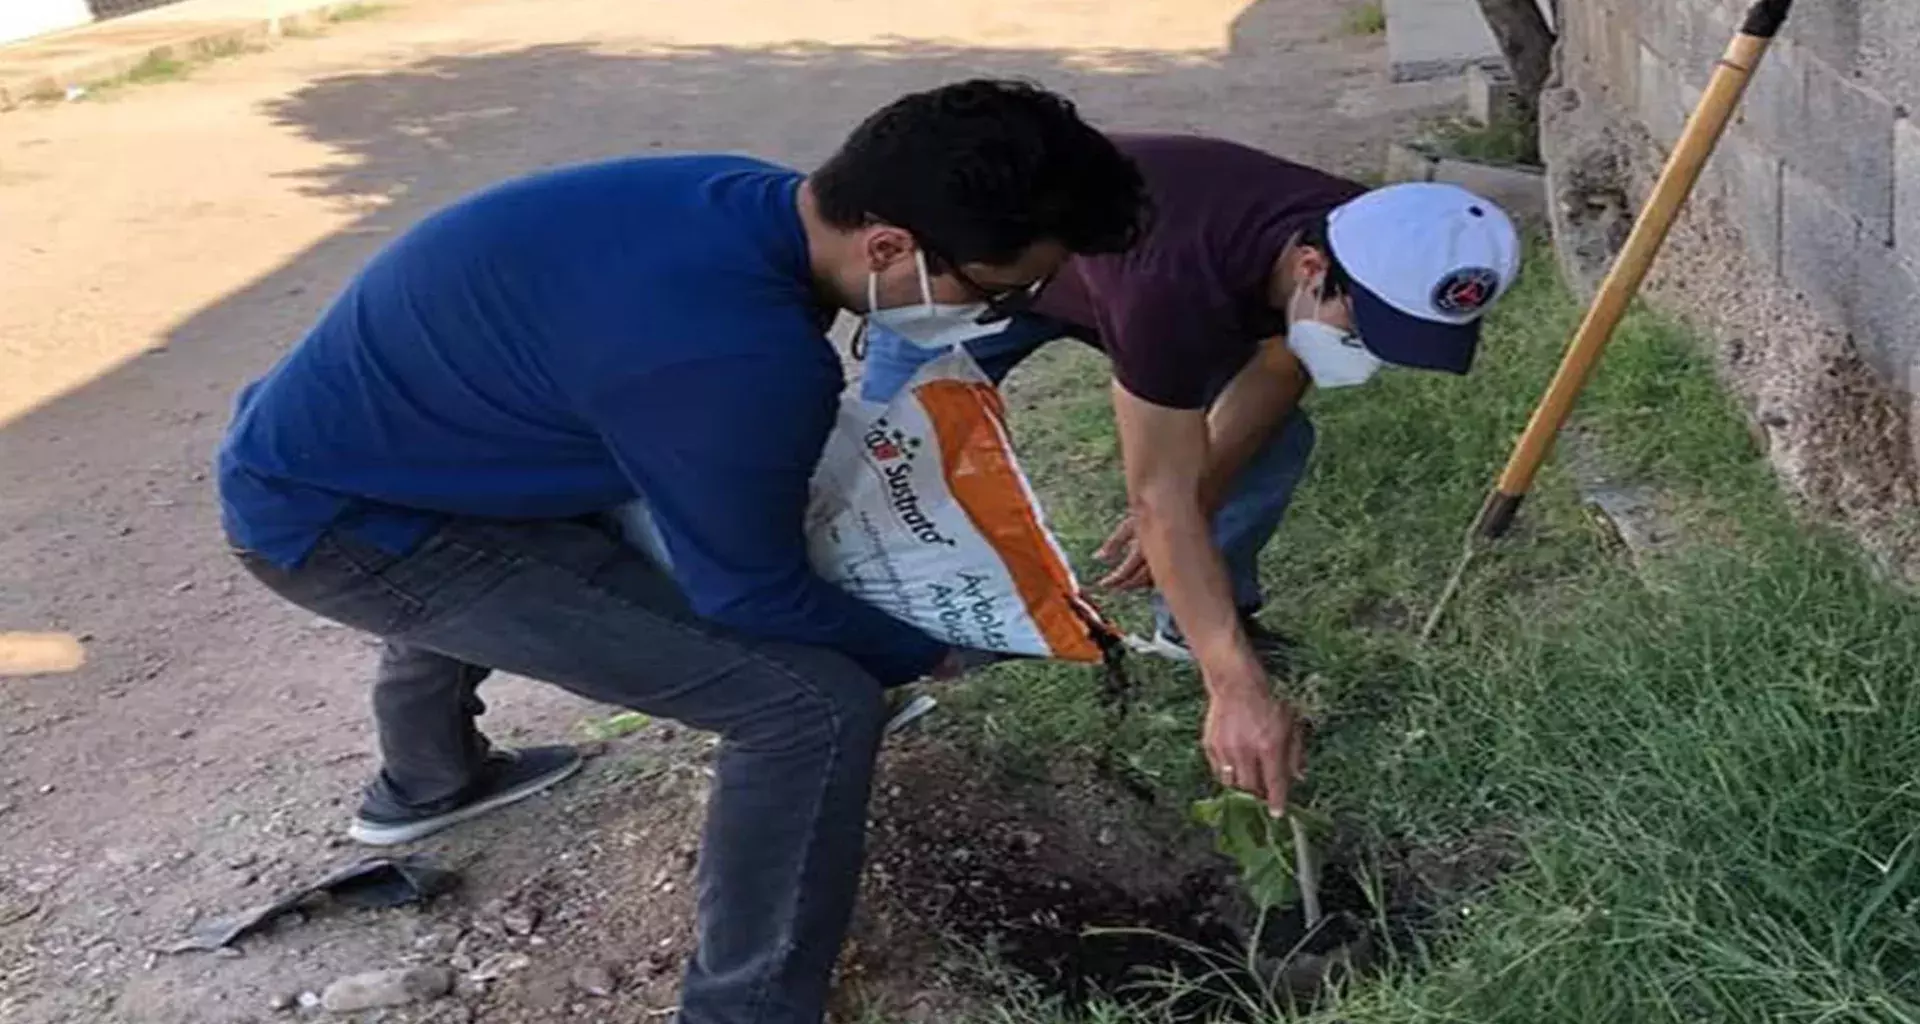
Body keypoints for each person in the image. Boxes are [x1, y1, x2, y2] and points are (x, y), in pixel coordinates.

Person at [215, 79, 1148, 1024]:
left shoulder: (743, 198)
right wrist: (926, 650)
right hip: (345, 525)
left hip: (383, 446)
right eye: (996, 291)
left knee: (608, 534)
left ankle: (428, 779)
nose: (1004, 314)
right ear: (888, 246)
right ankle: (743, 1010)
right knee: (809, 707)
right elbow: (748, 595)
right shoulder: (739, 356)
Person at [857, 134, 1521, 815]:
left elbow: (1278, 364)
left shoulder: (1371, 232)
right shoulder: (1170, 283)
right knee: (890, 479)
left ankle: (1193, 627)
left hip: (1103, 279)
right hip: (962, 278)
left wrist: (1193, 513)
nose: (1368, 353)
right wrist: (1234, 684)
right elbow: (1158, 492)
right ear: (1311, 266)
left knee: (1269, 440)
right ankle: (871, 671)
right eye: (1364, 328)